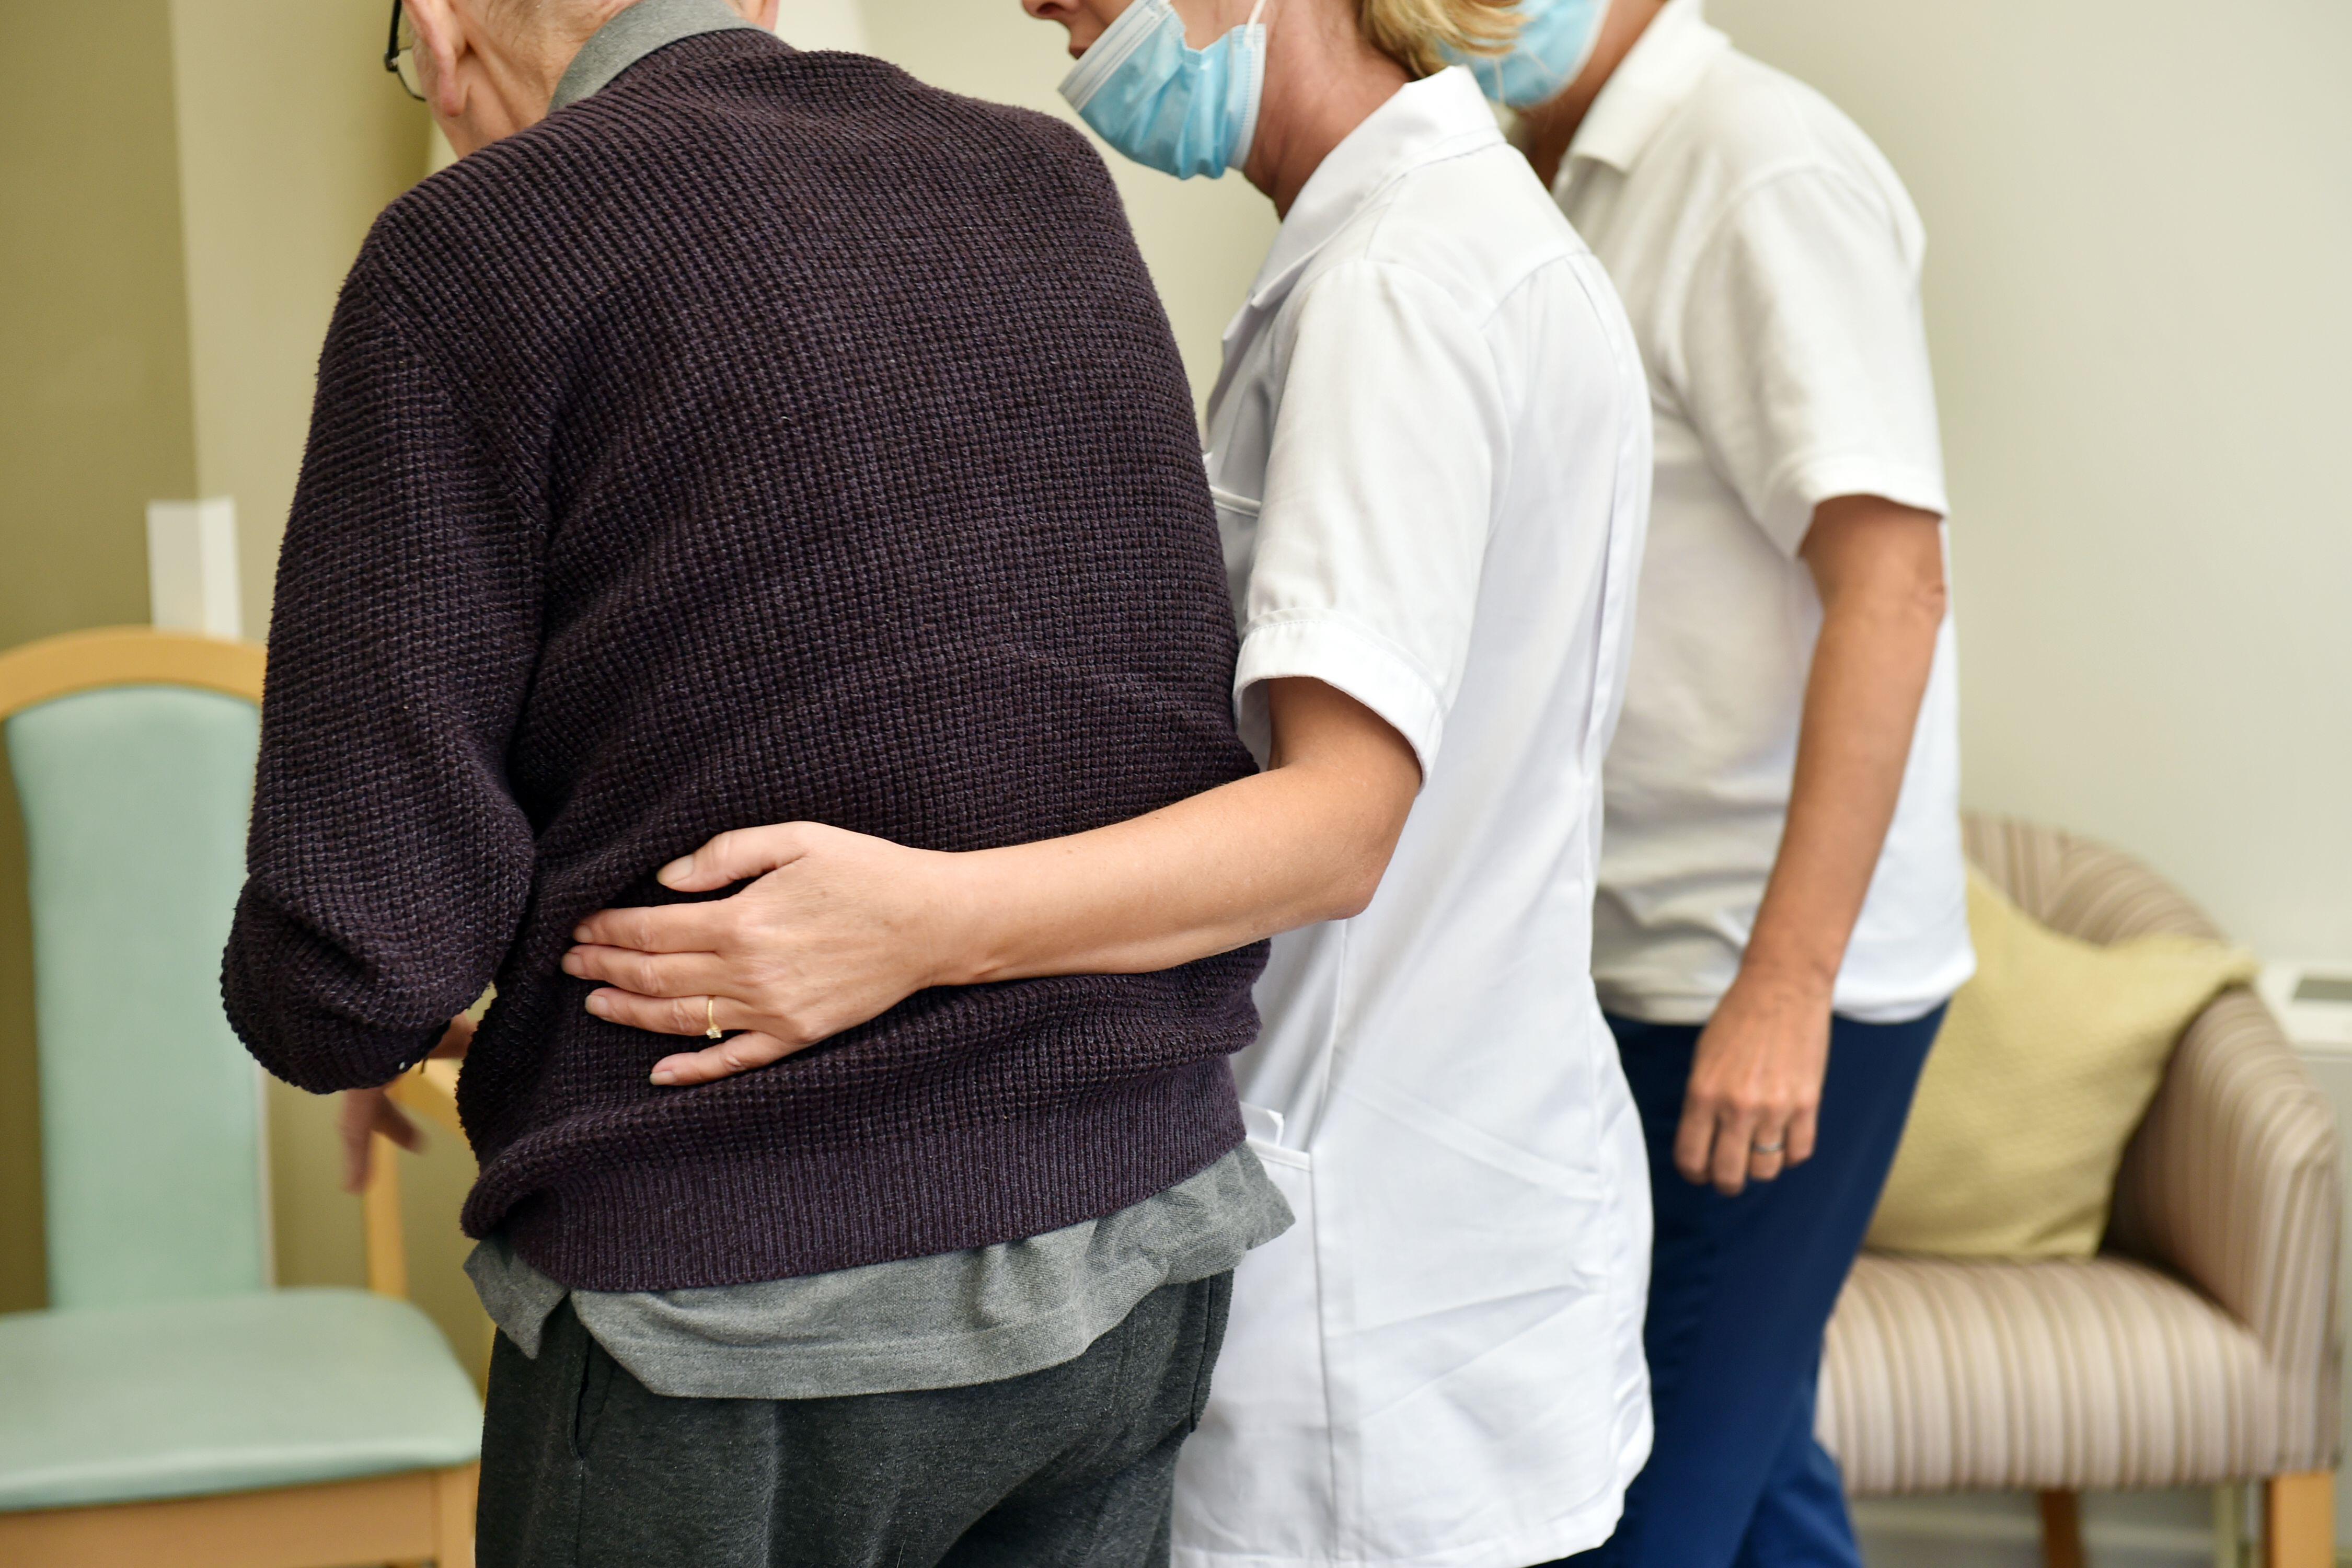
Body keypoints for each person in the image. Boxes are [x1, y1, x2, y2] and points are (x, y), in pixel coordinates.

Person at [560, 0, 1658, 1563]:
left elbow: (1334, 828)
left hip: (1362, 1292)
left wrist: (914, 925)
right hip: (1479, 1222)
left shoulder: (1395, 285)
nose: (1043, 15)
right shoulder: (1470, 237)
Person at [223, 0, 1309, 1562]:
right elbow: (1101, 708)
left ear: (446, 32)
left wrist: (354, 1007)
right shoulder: (1045, 179)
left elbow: (357, 957)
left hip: (737, 1317)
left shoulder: (470, 244)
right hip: (1135, 1251)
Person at [1476, 3, 1976, 1564]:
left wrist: (1785, 988)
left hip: (1751, 981)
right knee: (1749, 1467)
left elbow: (1891, 587)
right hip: (1637, 952)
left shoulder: (1755, 165)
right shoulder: (1555, 184)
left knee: (1651, 1512)